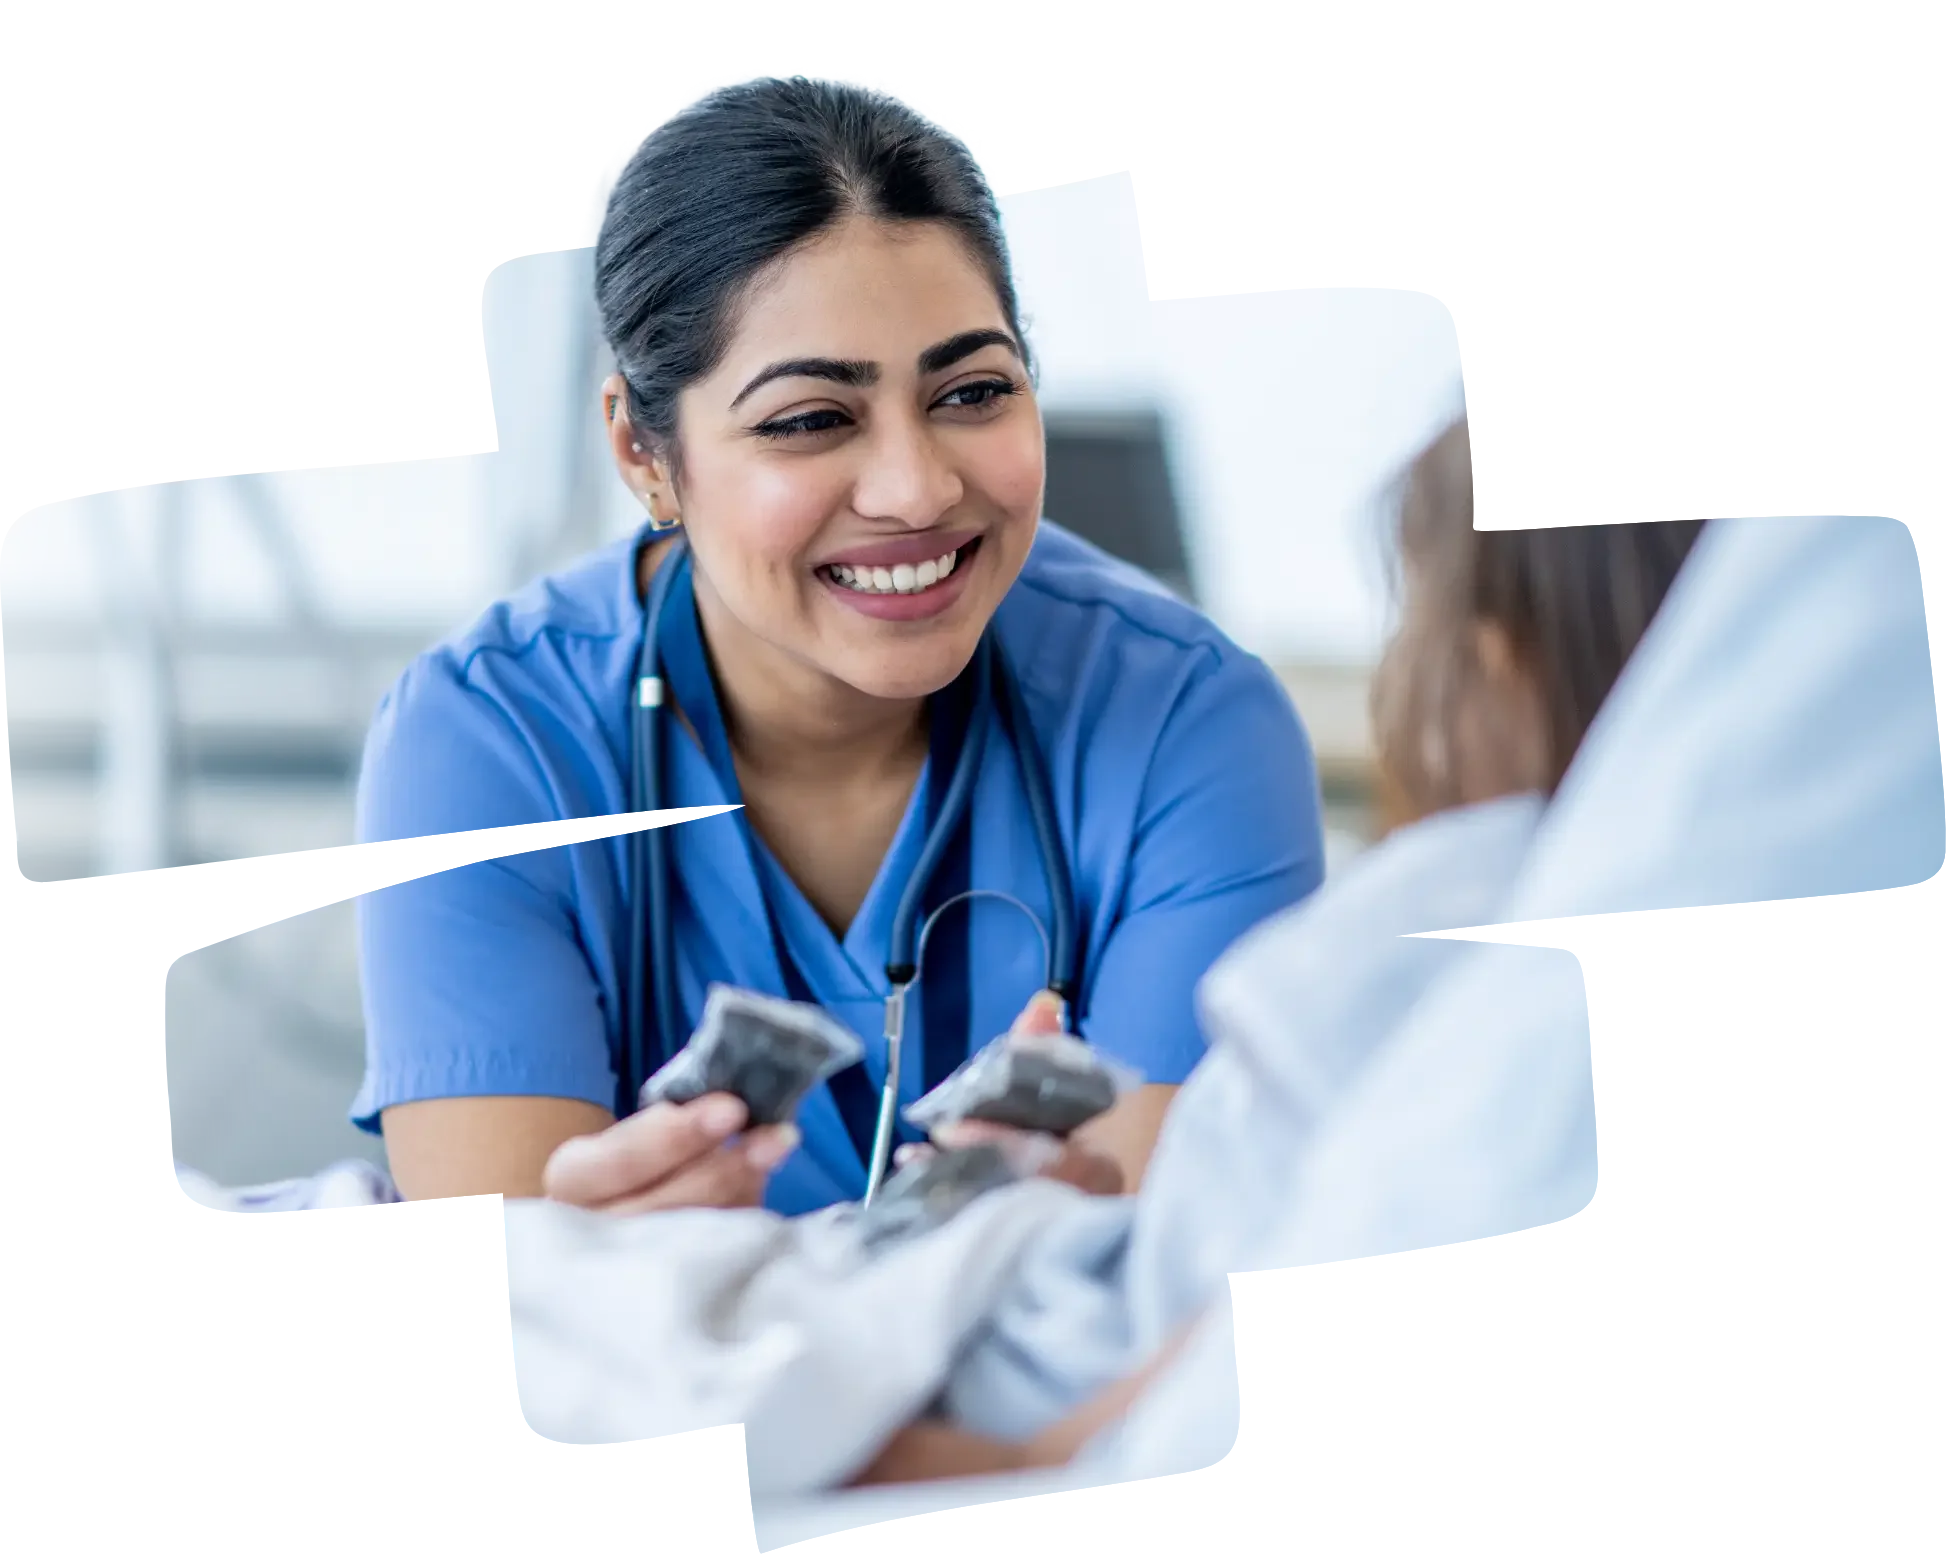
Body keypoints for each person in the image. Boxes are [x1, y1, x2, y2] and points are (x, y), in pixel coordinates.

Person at [351, 72, 1327, 1213]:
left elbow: (1166, 1301)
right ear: (641, 452)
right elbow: (512, 1319)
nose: (916, 489)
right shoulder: (489, 742)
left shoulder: (1188, 728)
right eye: (810, 420)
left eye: (971, 391)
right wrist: (581, 1261)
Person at [844, 414, 1714, 1485]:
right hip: (1016, 1351)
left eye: (1410, 624)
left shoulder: (1433, 922)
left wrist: (1009, 1228)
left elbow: (1167, 1381)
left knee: (612, 1462)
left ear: (1490, 663)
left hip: (1004, 1399)